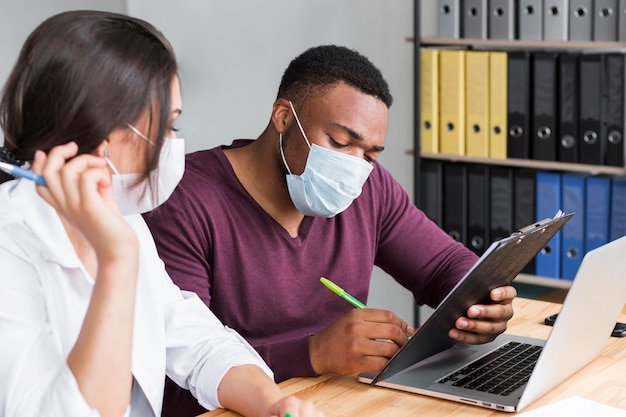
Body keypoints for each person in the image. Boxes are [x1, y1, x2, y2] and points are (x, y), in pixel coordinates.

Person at [143, 45, 517, 416]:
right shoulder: (181, 202)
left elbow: (441, 266)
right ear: (284, 117)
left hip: (344, 403)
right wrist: (313, 353)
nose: (354, 168)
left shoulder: (369, 188)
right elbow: (174, 376)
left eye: (370, 155)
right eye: (339, 143)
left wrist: (479, 300)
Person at [0, 10, 323, 417]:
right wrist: (116, 262)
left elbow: (198, 341)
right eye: (167, 127)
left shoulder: (121, 216)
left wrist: (274, 403)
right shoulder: (10, 244)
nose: (174, 144)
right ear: (104, 138)